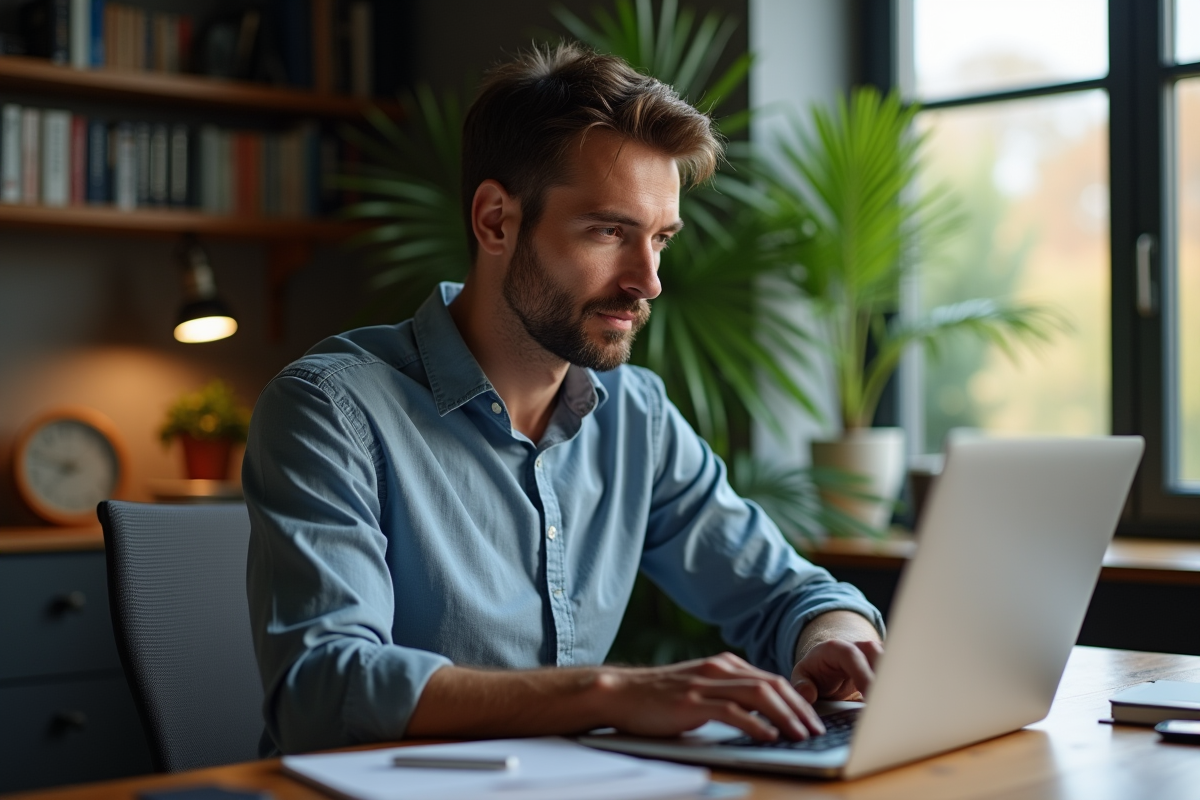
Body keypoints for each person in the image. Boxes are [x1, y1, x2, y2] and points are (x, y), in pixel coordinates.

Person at [244, 43, 885, 756]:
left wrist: (837, 638)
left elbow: (787, 594)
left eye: (660, 239)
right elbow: (324, 689)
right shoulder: (331, 409)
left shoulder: (634, 414)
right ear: (495, 221)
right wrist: (610, 693)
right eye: (610, 231)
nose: (648, 281)